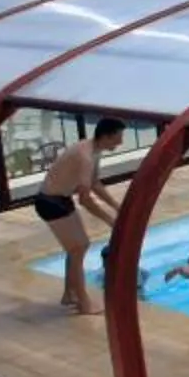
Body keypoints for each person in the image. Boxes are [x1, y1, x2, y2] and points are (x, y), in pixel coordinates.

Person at [38, 118, 129, 315]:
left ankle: (69, 294)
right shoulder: (85, 156)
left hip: (60, 199)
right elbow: (85, 200)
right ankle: (83, 303)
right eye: (118, 137)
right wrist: (109, 220)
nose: (121, 143)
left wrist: (116, 206)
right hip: (49, 202)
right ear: (106, 136)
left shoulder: (93, 150)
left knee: (77, 247)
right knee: (78, 247)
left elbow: (94, 183)